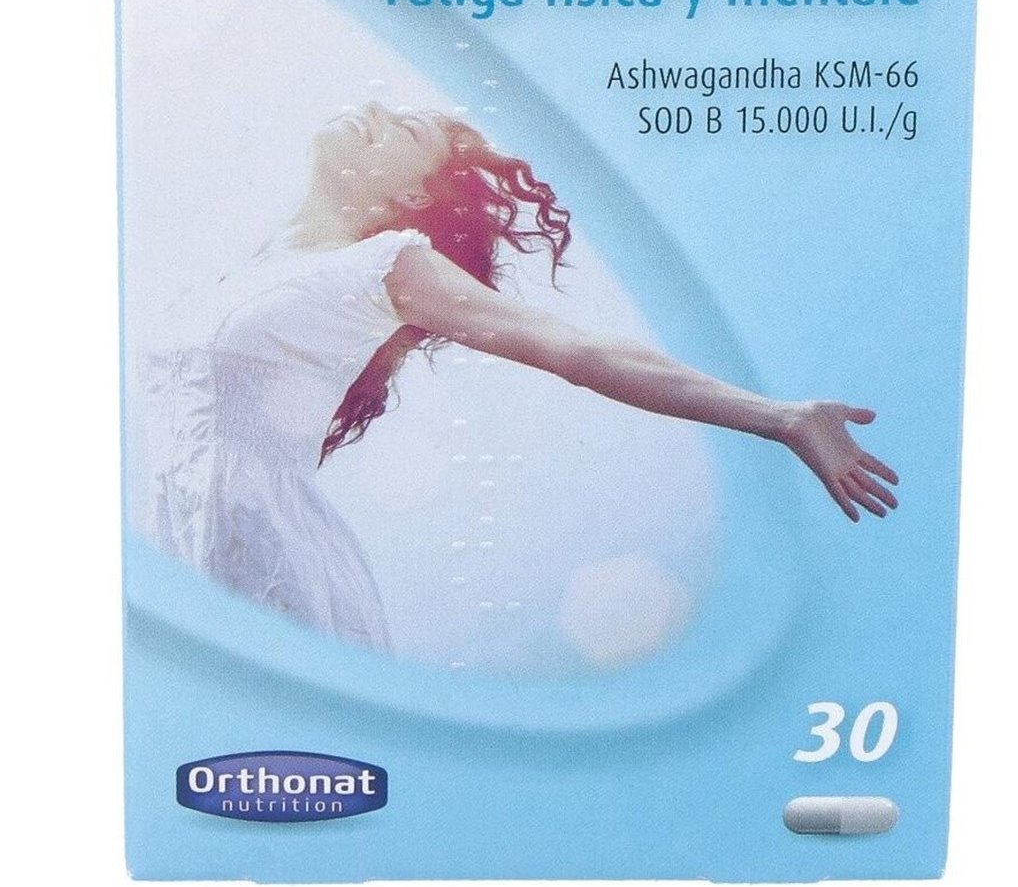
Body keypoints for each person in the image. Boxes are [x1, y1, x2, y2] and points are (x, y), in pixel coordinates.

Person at [147, 101, 898, 647]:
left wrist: (782, 418)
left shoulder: (386, 266)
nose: (377, 110)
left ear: (412, 197)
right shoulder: (244, 272)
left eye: (407, 128)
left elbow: (580, 351)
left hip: (273, 574)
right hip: (183, 556)